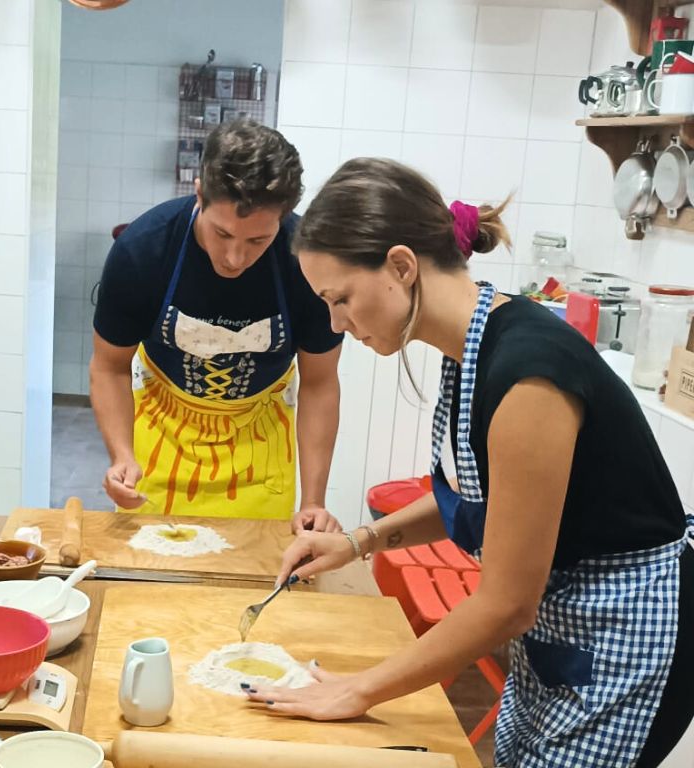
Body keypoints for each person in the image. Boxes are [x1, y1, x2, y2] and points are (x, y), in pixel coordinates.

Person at [244, 158, 694, 767]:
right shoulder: (474, 350)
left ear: (401, 267)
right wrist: (360, 540)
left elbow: (507, 602)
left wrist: (359, 689)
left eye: (341, 298)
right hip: (563, 630)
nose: (336, 324)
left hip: (628, 629)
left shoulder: (529, 372)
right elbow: (482, 500)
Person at [91, 119, 344, 531]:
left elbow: (319, 383)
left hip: (258, 450)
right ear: (199, 195)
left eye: (257, 241)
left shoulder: (308, 264)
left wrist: (313, 500)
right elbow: (109, 367)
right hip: (163, 441)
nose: (234, 257)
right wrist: (122, 455)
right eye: (222, 233)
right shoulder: (143, 250)